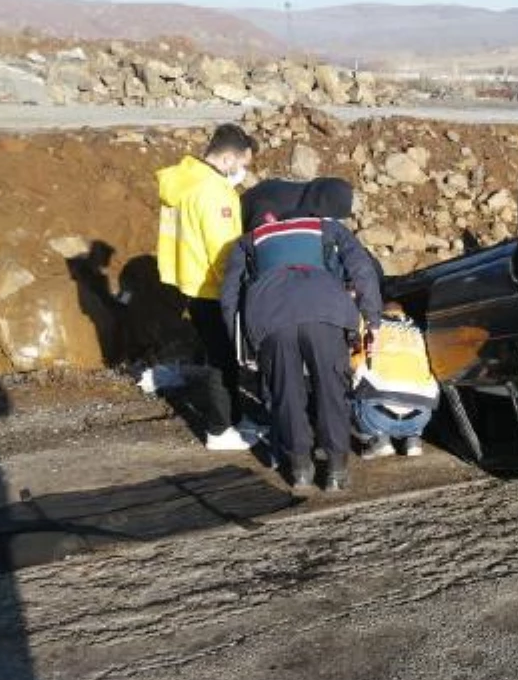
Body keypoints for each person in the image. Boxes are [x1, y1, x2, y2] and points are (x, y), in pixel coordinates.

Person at [221, 178, 382, 494]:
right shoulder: (327, 229)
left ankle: (301, 470)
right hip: (326, 312)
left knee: (286, 393)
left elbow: (229, 297)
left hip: (270, 317)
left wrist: (242, 348)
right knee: (331, 390)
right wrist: (372, 319)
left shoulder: (248, 240)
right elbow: (362, 270)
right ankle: (335, 470)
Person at [157, 123, 260, 451]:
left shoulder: (184, 179)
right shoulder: (214, 192)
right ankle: (220, 430)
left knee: (221, 354)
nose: (243, 172)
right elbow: (223, 251)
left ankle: (236, 418)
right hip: (213, 288)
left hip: (190, 279)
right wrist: (239, 287)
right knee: (223, 359)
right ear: (228, 158)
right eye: (242, 164)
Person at [350, 302, 440, 459]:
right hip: (421, 416)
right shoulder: (420, 329)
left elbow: (355, 363)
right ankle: (413, 440)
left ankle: (378, 440)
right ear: (402, 313)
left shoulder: (369, 324)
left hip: (377, 417)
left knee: (344, 393)